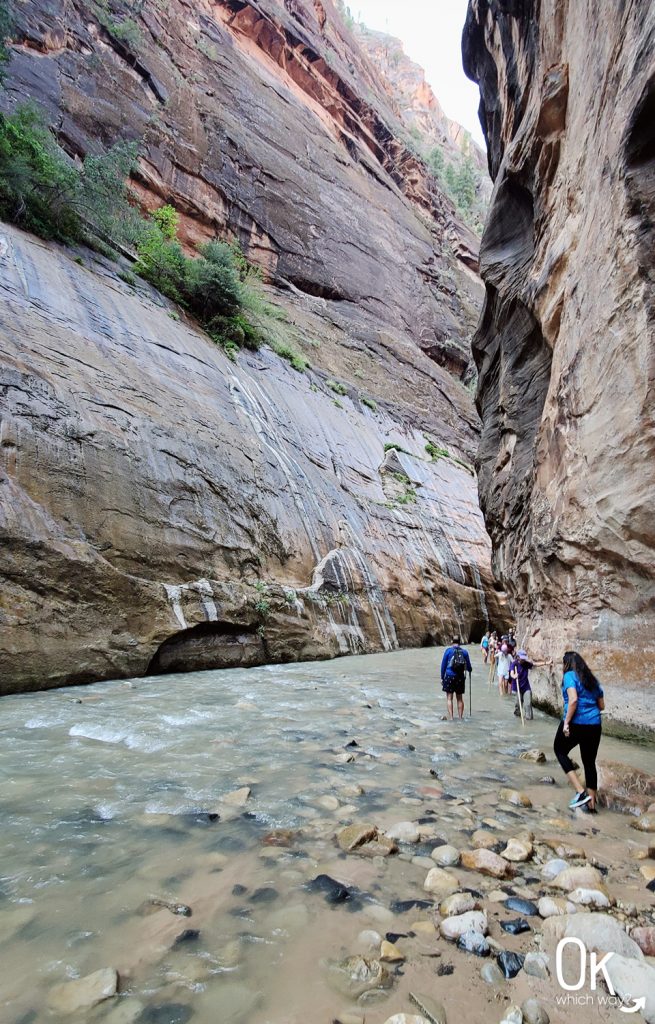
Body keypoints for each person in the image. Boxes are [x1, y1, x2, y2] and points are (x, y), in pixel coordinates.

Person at [553, 651, 605, 811]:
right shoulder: (592, 680)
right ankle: (591, 806)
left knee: (559, 750)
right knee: (589, 763)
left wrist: (567, 723)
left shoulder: (569, 675)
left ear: (567, 664)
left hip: (576, 722)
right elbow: (602, 706)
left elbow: (574, 699)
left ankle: (580, 792)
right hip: (594, 725)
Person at [509, 649, 551, 720]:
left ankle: (529, 719)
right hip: (517, 687)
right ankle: (517, 717)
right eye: (522, 658)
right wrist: (514, 676)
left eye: (524, 658)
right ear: (518, 657)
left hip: (526, 687)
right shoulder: (514, 664)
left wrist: (546, 663)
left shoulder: (526, 663)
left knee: (528, 704)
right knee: (518, 704)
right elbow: (511, 673)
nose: (523, 660)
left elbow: (535, 664)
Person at [440, 638, 472, 720]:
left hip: (449, 676)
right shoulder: (464, 652)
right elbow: (468, 666)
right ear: (459, 643)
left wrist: (442, 677)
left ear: (452, 642)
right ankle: (460, 718)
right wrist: (470, 669)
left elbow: (443, 665)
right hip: (460, 677)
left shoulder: (448, 651)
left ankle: (451, 717)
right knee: (459, 698)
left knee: (449, 698)